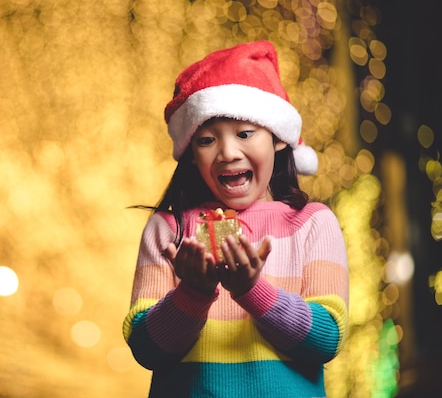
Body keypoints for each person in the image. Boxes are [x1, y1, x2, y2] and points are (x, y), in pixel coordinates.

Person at [122, 40, 349, 398]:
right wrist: (193, 292)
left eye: (245, 134)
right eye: (207, 139)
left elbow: (327, 339)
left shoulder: (313, 223)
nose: (228, 152)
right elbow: (147, 350)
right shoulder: (169, 230)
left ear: (277, 138)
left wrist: (250, 289)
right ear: (191, 154)